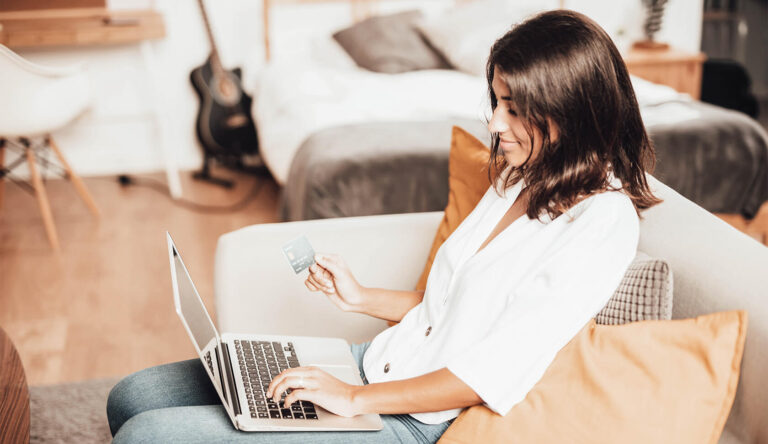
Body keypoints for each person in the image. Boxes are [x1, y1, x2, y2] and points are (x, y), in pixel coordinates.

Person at [107, 9, 661, 443]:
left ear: (570, 107)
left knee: (147, 435)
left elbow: (491, 371)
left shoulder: (601, 223)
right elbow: (447, 306)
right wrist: (358, 298)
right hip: (375, 365)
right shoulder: (523, 174)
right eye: (496, 101)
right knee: (131, 397)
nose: (495, 123)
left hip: (413, 420)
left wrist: (351, 399)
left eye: (514, 108)